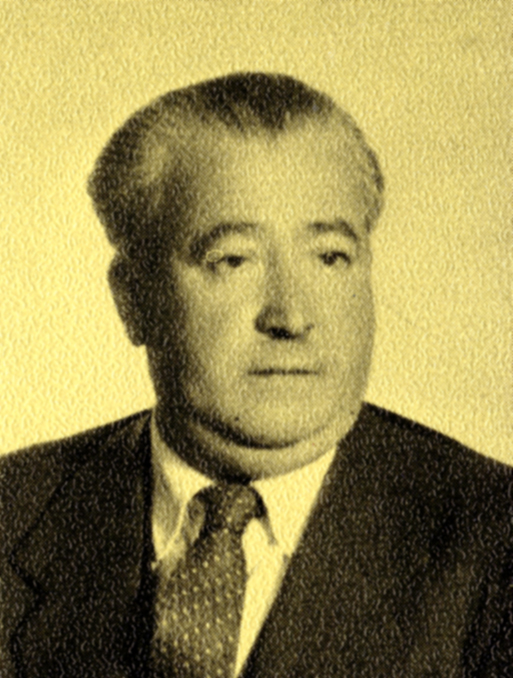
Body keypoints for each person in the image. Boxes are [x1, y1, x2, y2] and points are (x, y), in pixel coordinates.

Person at [1, 73, 511, 678]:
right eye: (233, 260)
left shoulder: (495, 543)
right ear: (132, 298)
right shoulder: (15, 509)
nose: (290, 317)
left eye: (330, 257)